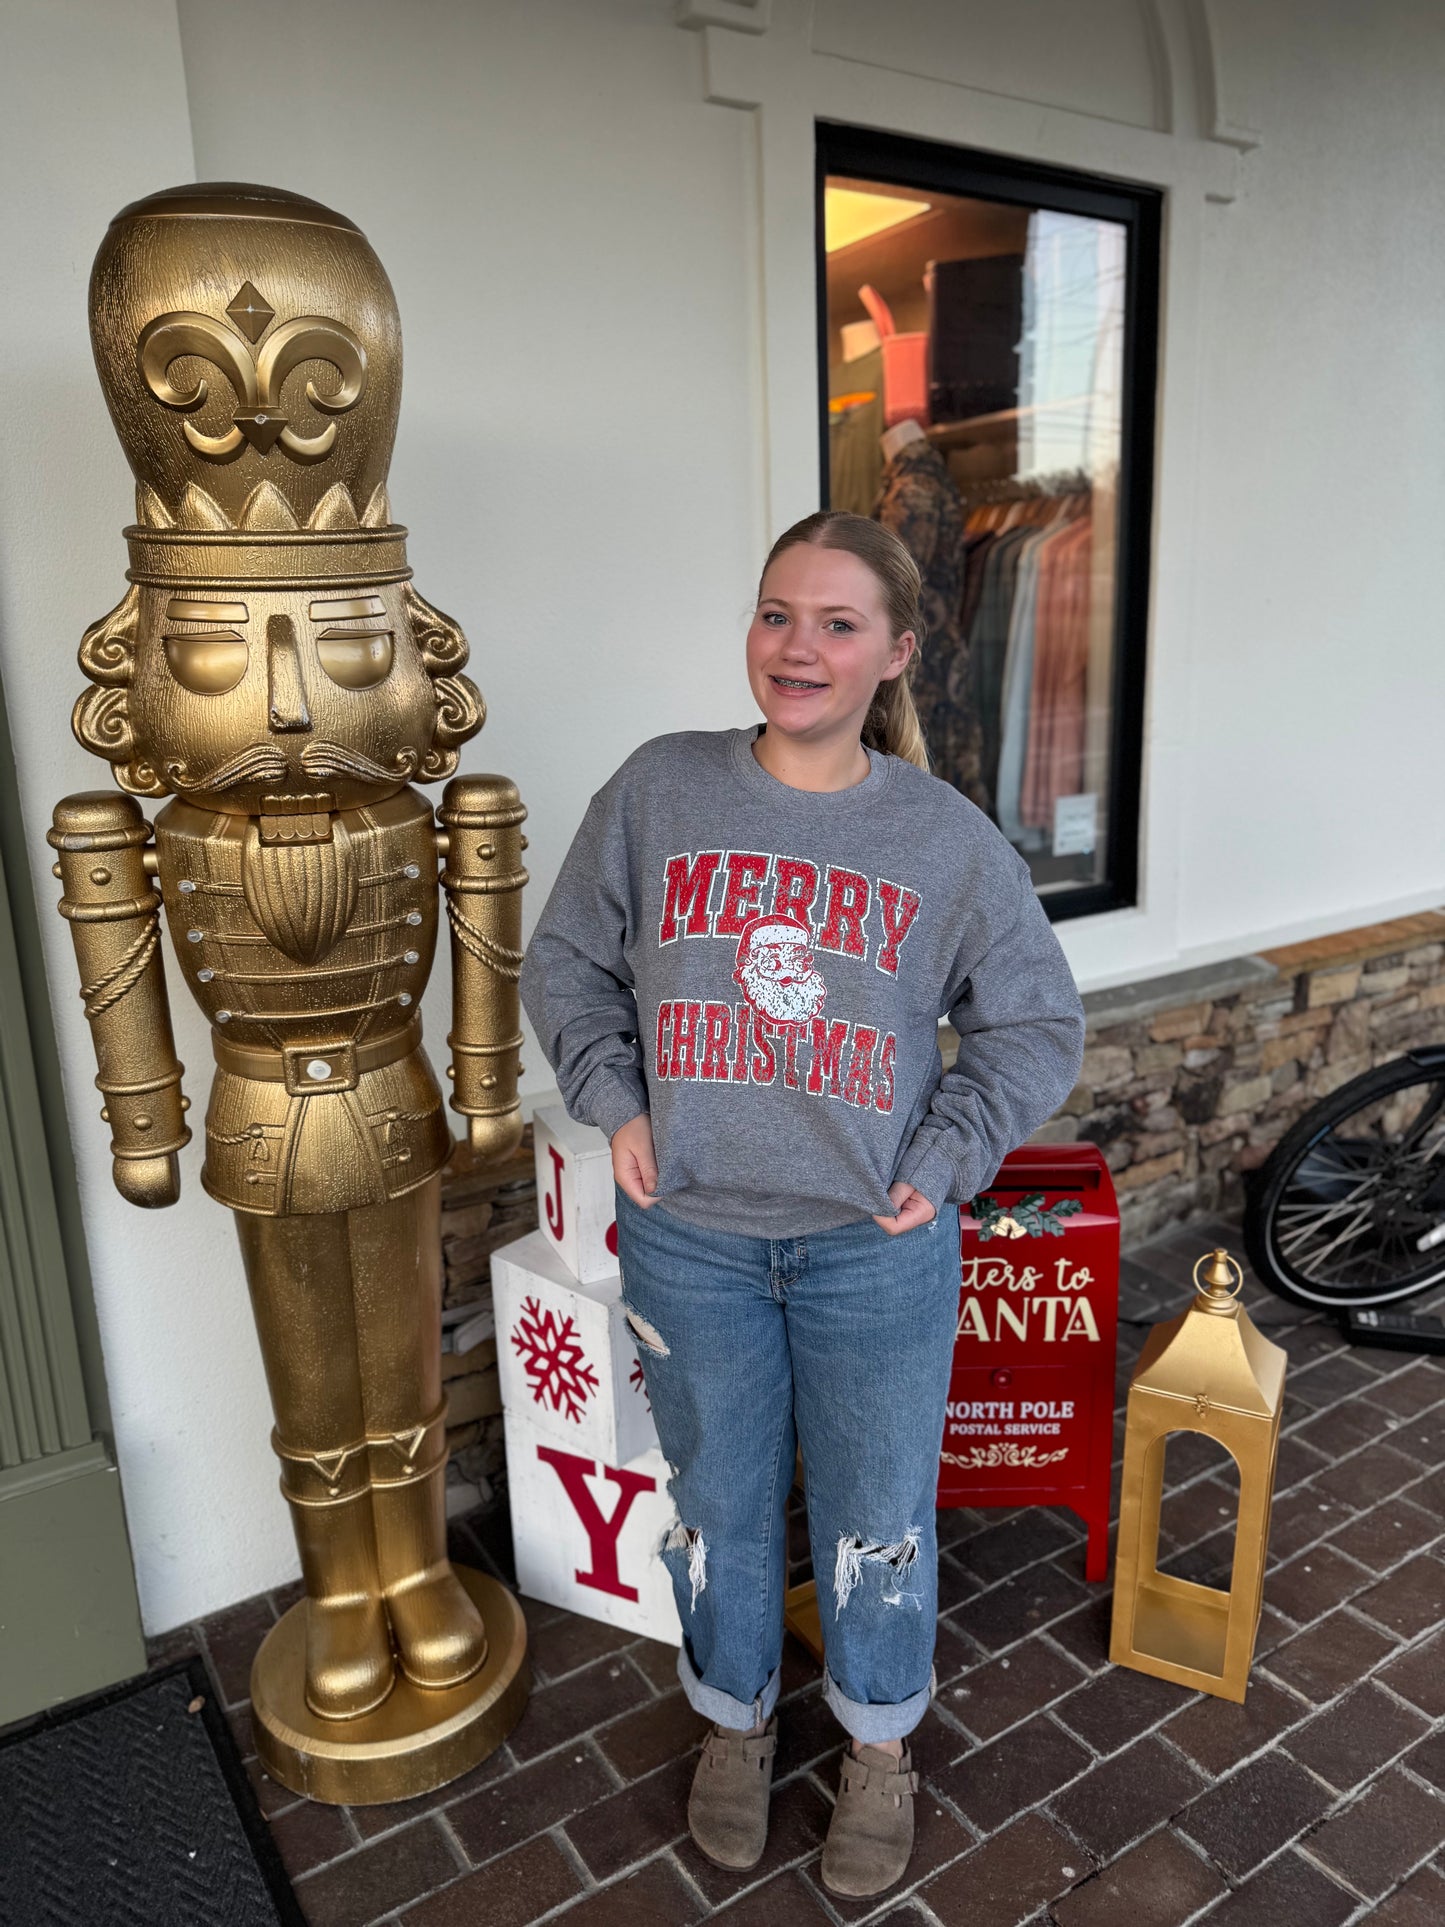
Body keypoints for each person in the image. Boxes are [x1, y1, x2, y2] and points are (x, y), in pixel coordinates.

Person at [518, 510, 1085, 1898]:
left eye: (838, 624)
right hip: (692, 1238)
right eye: (778, 614)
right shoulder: (659, 793)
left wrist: (945, 1153)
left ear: (894, 653)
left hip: (866, 1251)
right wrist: (618, 1099)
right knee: (713, 1500)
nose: (799, 648)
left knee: (873, 1509)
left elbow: (1033, 1026)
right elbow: (566, 966)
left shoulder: (941, 841)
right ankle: (732, 1722)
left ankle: (878, 1748)